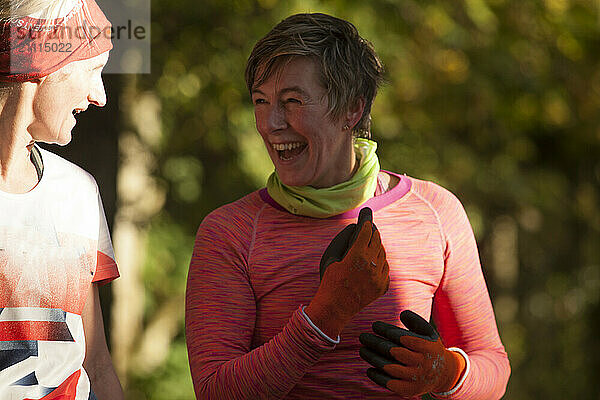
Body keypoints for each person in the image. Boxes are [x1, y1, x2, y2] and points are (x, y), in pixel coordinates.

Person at [186, 12, 510, 399]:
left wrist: (446, 372)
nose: (271, 122)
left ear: (352, 109)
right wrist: (326, 315)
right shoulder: (230, 232)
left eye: (292, 101)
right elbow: (214, 392)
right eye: (260, 100)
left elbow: (493, 365)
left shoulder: (437, 211)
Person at [0, 0, 123, 399]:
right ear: (41, 65)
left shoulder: (79, 193)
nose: (100, 95)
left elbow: (96, 361)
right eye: (92, 69)